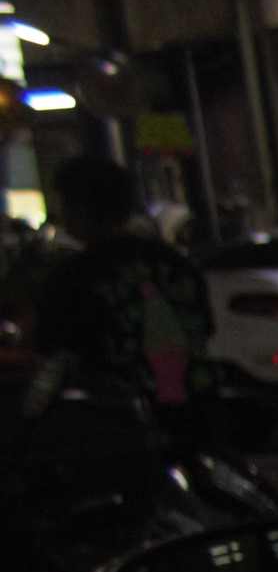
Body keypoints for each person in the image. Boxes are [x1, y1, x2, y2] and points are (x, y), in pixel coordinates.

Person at [33, 152, 214, 425]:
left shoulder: (73, 277)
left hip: (120, 424)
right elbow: (204, 327)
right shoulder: (175, 264)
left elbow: (53, 349)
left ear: (79, 211)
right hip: (196, 412)